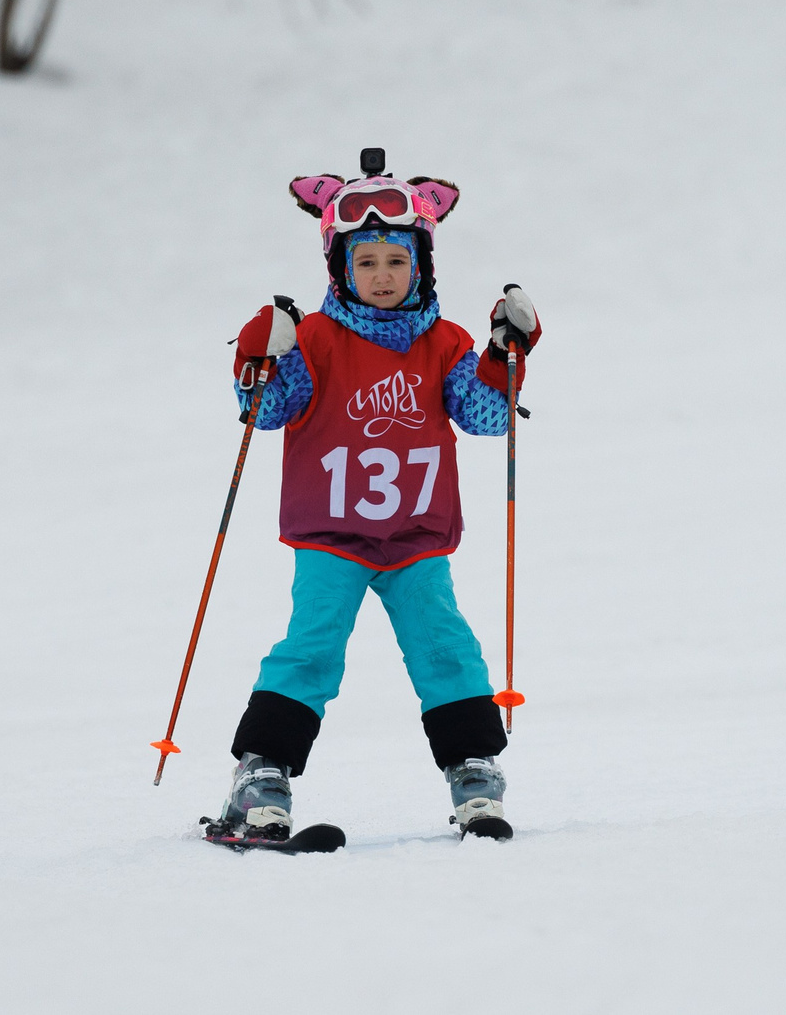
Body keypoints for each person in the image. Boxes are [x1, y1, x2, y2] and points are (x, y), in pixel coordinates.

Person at [213, 156, 542, 844]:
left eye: (397, 260)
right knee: (312, 649)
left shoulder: (442, 341)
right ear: (340, 269)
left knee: (444, 645)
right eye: (367, 263)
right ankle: (261, 773)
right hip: (332, 533)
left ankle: (473, 771)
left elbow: (484, 417)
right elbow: (269, 410)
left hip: (414, 535)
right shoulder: (314, 340)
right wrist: (259, 357)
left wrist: (503, 355)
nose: (383, 276)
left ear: (421, 263)